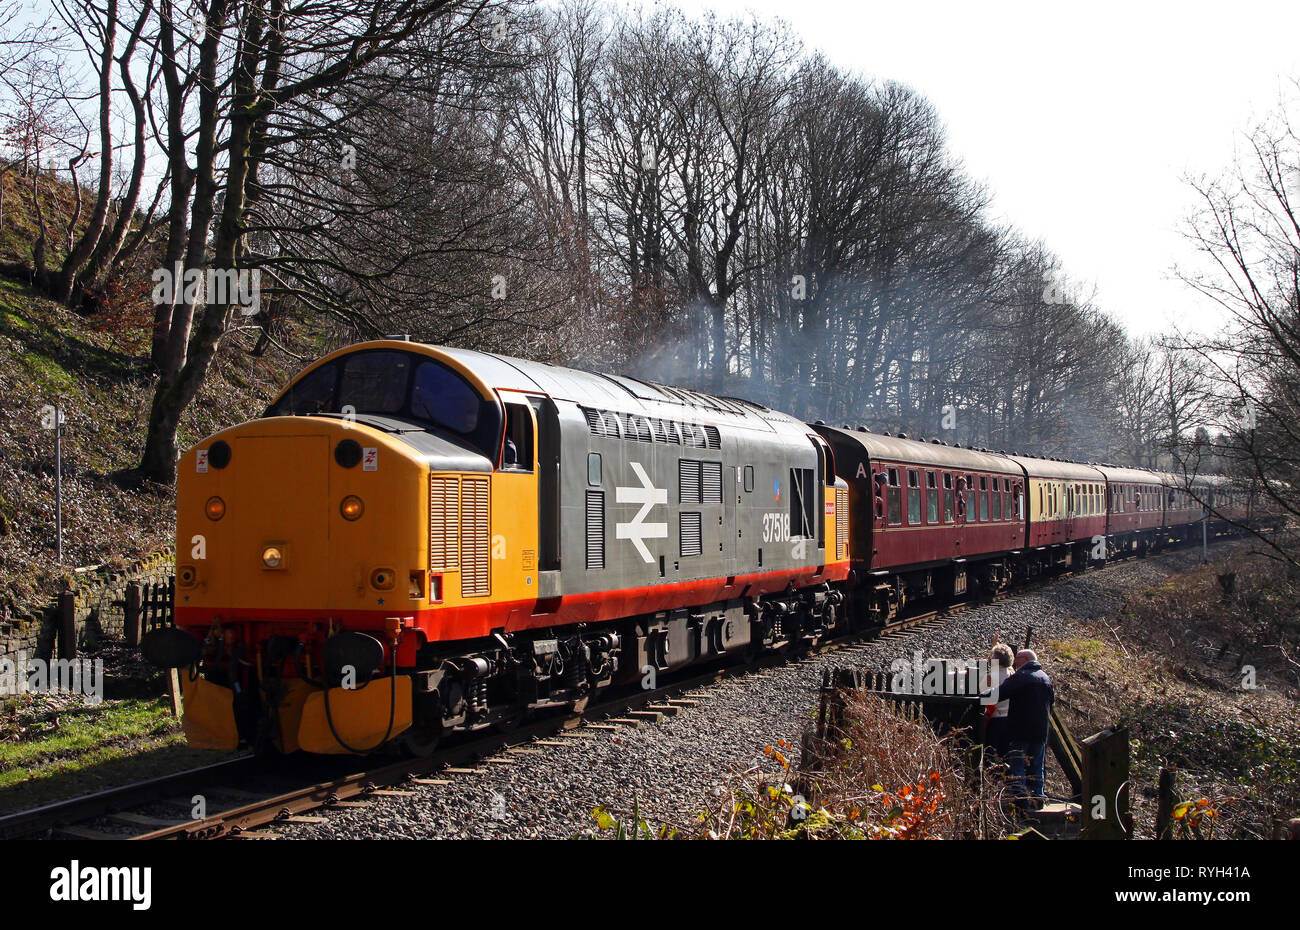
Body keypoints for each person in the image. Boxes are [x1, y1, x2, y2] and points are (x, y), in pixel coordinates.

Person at [983, 648, 1054, 812]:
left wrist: (980, 698)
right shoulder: (1045, 678)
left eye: (1018, 659)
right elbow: (1052, 704)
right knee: (1037, 765)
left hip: (1021, 729)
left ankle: (1020, 799)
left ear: (1025, 659)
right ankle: (1038, 797)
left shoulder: (1021, 677)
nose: (1015, 662)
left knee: (1018, 764)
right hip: (1041, 731)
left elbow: (1000, 693)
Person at [983, 643, 1015, 762]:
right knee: (1006, 754)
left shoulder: (990, 677)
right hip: (1010, 718)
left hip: (995, 719)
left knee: (991, 754)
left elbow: (984, 699)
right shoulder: (1013, 675)